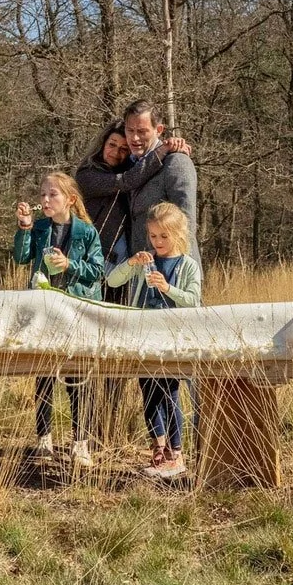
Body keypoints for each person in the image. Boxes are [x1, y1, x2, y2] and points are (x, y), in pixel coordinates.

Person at [14, 171, 105, 468]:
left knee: (78, 379)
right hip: (43, 312)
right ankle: (44, 439)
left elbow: (97, 270)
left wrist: (70, 264)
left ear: (70, 200)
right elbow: (20, 257)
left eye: (53, 194)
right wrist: (24, 228)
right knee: (43, 376)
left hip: (76, 311)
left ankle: (80, 444)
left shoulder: (87, 232)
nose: (45, 200)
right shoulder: (39, 228)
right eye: (43, 195)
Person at [105, 202, 201, 479]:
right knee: (148, 392)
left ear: (178, 235)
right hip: (143, 335)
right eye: (153, 236)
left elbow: (193, 301)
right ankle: (157, 448)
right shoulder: (146, 260)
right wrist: (130, 263)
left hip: (172, 337)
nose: (157, 242)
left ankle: (176, 453)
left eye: (164, 236)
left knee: (169, 392)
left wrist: (167, 287)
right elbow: (112, 281)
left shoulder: (188, 265)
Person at [75, 120, 191, 300]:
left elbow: (138, 170)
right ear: (102, 144)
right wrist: (162, 150)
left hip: (126, 260)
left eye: (123, 149)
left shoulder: (134, 171)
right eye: (112, 145)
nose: (115, 152)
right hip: (94, 258)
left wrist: (175, 145)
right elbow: (126, 181)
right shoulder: (87, 174)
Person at [122, 100, 199, 268]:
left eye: (142, 131)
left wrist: (179, 272)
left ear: (159, 130)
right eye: (130, 130)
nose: (134, 138)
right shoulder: (129, 165)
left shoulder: (176, 162)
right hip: (141, 271)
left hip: (174, 271)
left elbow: (186, 222)